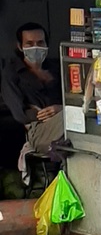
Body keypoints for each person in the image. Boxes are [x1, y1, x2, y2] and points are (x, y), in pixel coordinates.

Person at [1, 22, 64, 157]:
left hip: (65, 122)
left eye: (40, 43)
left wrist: (60, 109)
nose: (35, 47)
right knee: (72, 117)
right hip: (38, 131)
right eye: (29, 44)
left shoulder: (57, 67)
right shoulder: (12, 73)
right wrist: (53, 114)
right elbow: (20, 114)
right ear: (20, 46)